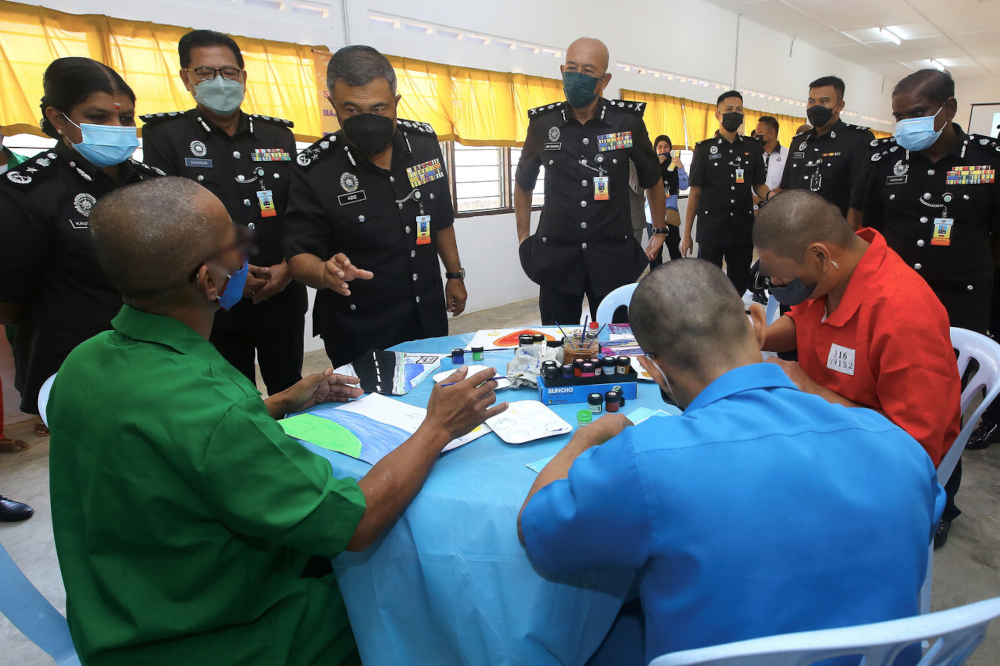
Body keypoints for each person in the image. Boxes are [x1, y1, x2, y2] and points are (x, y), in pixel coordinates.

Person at [48, 176, 507, 665]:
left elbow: (166, 438)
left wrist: (282, 401)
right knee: (417, 596)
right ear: (209, 280)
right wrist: (438, 427)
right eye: (235, 242)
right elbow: (356, 523)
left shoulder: (83, 362)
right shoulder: (213, 405)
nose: (247, 249)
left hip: (120, 616)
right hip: (223, 637)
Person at [518, 258, 943, 665]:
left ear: (652, 369)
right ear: (757, 327)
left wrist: (586, 438)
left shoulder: (645, 462)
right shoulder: (896, 444)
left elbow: (537, 528)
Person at [755, 191, 961, 548]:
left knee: (758, 508)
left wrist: (813, 390)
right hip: (825, 428)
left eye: (782, 276)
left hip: (882, 461)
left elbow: (911, 446)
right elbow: (803, 322)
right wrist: (757, 336)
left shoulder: (902, 316)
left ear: (819, 256)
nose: (776, 286)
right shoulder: (836, 274)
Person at [141, 30, 307, 394]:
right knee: (231, 394)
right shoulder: (165, 135)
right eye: (206, 72)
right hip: (213, 299)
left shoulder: (276, 135)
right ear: (186, 78)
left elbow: (300, 210)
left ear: (243, 78)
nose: (220, 80)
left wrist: (288, 267)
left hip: (280, 290)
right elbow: (170, 219)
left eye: (229, 72)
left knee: (290, 389)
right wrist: (229, 277)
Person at [284, 45, 467, 367]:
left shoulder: (423, 145)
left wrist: (454, 274)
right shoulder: (315, 168)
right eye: (352, 110)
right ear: (333, 104)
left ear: (396, 102)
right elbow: (299, 253)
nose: (367, 120)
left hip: (426, 313)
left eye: (379, 109)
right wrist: (324, 273)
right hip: (359, 325)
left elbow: (440, 218)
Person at [0, 57, 162, 420]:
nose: (117, 128)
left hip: (157, 359)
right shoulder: (26, 193)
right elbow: (9, 305)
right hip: (73, 366)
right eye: (98, 117)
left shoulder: (155, 184)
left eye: (125, 118)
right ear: (59, 119)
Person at [862, 69, 1000, 460]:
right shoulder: (884, 161)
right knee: (883, 396)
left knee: (943, 408)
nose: (906, 124)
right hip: (892, 300)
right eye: (899, 116)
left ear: (949, 108)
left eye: (917, 113)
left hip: (959, 302)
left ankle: (940, 498)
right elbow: (869, 230)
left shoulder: (988, 161)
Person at [514, 37, 665, 325]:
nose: (577, 77)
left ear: (604, 80)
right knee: (558, 343)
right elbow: (523, 182)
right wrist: (523, 236)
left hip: (612, 256)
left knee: (615, 342)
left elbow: (652, 178)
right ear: (562, 70)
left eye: (587, 70)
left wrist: (659, 230)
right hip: (556, 256)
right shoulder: (543, 125)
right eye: (571, 68)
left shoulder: (626, 122)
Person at [680, 91, 769, 297]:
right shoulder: (704, 149)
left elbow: (759, 185)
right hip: (711, 227)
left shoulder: (752, 147)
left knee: (739, 282)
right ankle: (710, 322)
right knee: (707, 282)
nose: (734, 114)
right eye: (729, 110)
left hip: (742, 229)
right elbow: (694, 194)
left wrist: (770, 196)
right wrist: (686, 235)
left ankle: (732, 320)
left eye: (739, 110)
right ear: (717, 114)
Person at [775, 76, 875, 228]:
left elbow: (859, 196)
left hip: (834, 232)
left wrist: (848, 239)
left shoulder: (857, 139)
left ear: (839, 106)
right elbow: (787, 188)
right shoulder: (799, 142)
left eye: (824, 101)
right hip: (795, 229)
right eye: (812, 101)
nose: (816, 107)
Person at [647, 134, 686, 264]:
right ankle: (656, 282)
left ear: (670, 148)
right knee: (655, 254)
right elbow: (645, 185)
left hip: (670, 215)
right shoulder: (650, 165)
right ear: (655, 149)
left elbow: (685, 185)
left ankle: (679, 280)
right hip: (653, 217)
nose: (663, 150)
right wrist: (655, 167)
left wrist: (681, 168)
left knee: (675, 250)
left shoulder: (674, 165)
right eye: (659, 147)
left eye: (666, 147)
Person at [755, 116, 786, 192]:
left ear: (771, 134)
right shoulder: (754, 154)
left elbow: (787, 184)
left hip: (777, 201)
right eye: (756, 132)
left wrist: (763, 196)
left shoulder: (787, 155)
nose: (756, 136)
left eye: (759, 132)